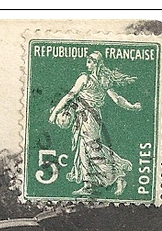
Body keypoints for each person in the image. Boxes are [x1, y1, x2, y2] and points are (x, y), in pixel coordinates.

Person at [48, 51, 141, 197]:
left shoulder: (90, 79)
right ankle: (88, 184)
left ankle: (118, 176)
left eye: (90, 62)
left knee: (92, 149)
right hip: (84, 118)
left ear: (97, 63)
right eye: (87, 61)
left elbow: (116, 99)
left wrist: (131, 106)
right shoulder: (93, 79)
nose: (87, 64)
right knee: (83, 149)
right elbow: (71, 96)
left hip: (90, 118)